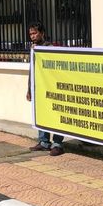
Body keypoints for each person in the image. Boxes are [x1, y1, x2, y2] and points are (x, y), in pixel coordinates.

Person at [25, 22, 64, 156]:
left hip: (51, 88)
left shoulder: (50, 48)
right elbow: (32, 71)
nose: (33, 36)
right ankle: (44, 142)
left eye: (35, 33)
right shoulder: (33, 49)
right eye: (31, 34)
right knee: (41, 115)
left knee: (55, 115)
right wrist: (29, 89)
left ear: (42, 33)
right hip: (38, 89)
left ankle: (57, 143)